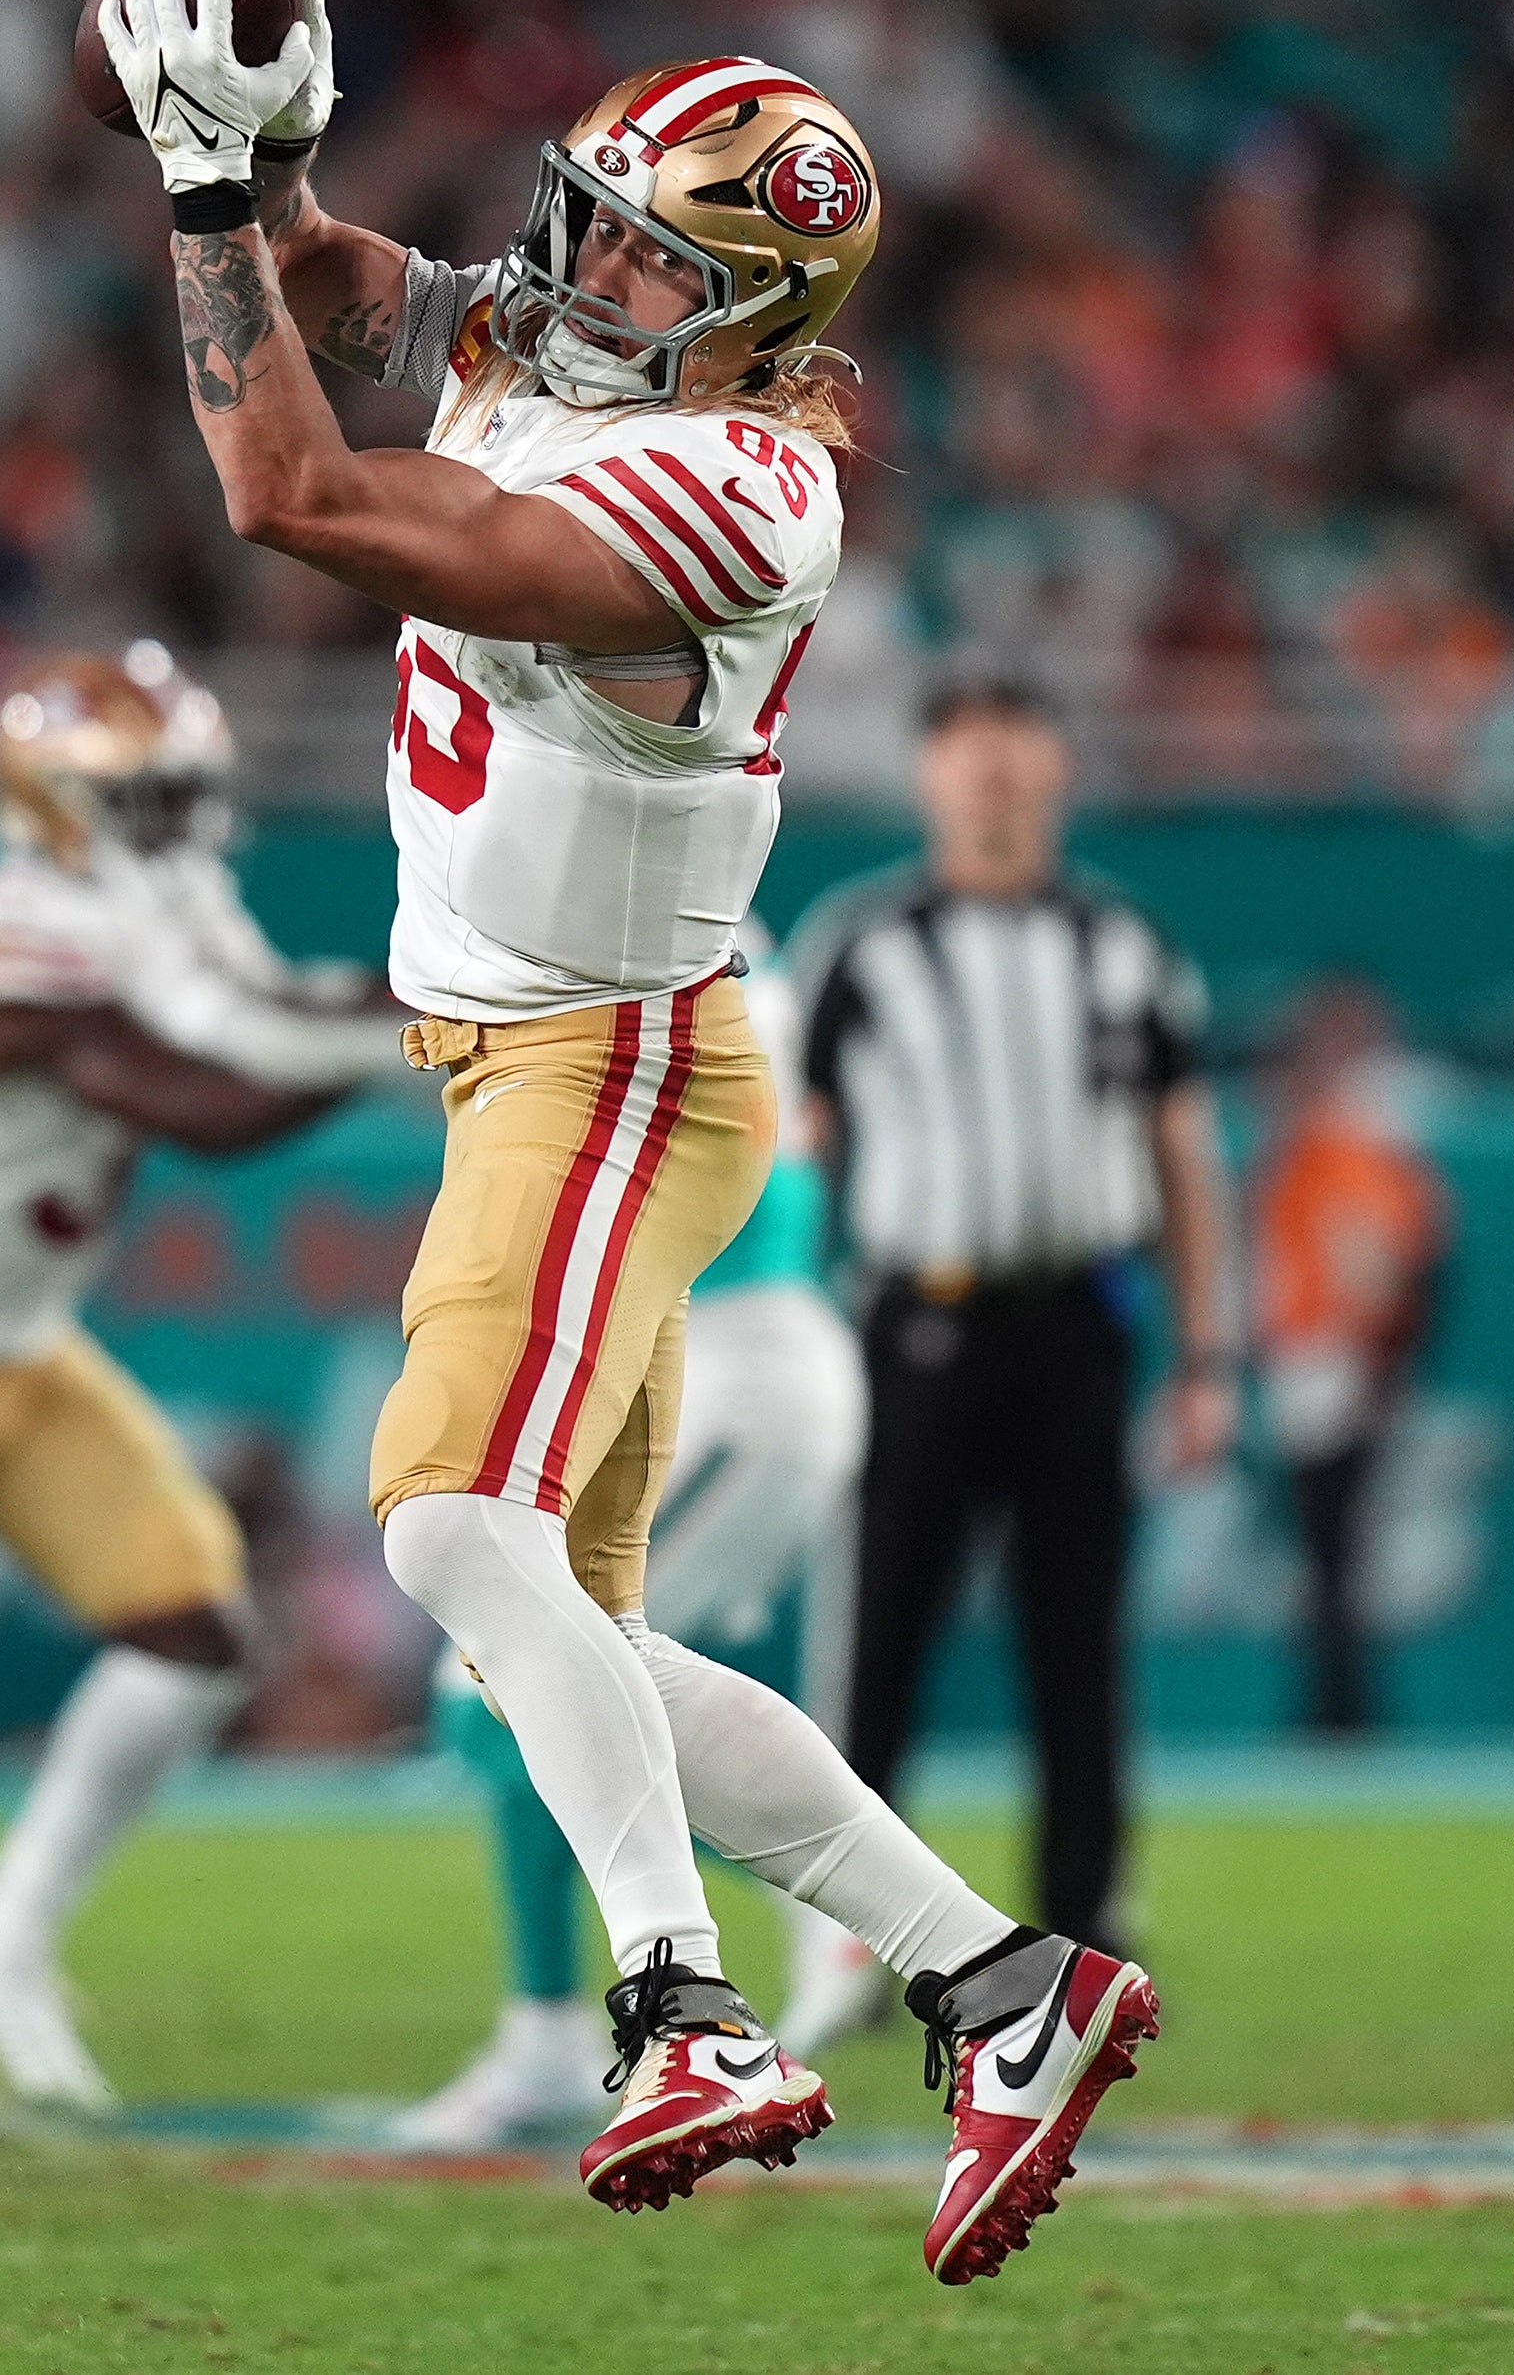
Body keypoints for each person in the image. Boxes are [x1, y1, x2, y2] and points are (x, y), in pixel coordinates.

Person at [96, 0, 1151, 2279]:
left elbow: (292, 492)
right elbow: (352, 277)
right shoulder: (578, 328)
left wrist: (193, 198)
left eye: (648, 248)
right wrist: (241, 138)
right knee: (564, 1621)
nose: (577, 267)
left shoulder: (740, 492)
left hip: (606, 1057)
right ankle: (997, 1976)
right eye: (588, 210)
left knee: (441, 1519)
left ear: (756, 314)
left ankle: (679, 1999)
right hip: (529, 1048)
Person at [0, 645, 401, 2112]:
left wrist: (420, 1004)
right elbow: (226, 1091)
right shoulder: (12, 920)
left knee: (197, 1622)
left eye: (182, 790)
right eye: (137, 798)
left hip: (20, 1345)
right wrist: (451, 1017)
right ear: (49, 806)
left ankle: (0, 1941)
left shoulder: (161, 899)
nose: (171, 825)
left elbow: (272, 1006)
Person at [786, 678, 1240, 1986]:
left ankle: (1087, 1932)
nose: (991, 776)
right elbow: (795, 1151)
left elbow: (1183, 1155)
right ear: (928, 773)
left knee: (1080, 1646)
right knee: (879, 1647)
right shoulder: (862, 943)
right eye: (966, 752)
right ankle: (856, 1944)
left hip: (1076, 1326)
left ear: (1057, 768)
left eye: (1013, 750)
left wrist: (1210, 1359)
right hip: (913, 1324)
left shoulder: (1126, 945)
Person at [392, 919, 868, 2148]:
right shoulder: (652, 924)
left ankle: (852, 1923)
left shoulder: (660, 934)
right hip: (722, 1357)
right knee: (561, 1685)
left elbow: (719, 1189)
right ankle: (569, 2019)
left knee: (505, 1682)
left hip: (740, 1361)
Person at [1250, 976, 1447, 1735]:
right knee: (1329, 1559)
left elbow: (1385, 1260)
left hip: (1333, 1363)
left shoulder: (1346, 1146)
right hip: (1314, 1361)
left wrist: (1373, 1356)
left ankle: (1341, 1718)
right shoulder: (1310, 1150)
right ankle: (1334, 1710)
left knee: (1336, 1558)